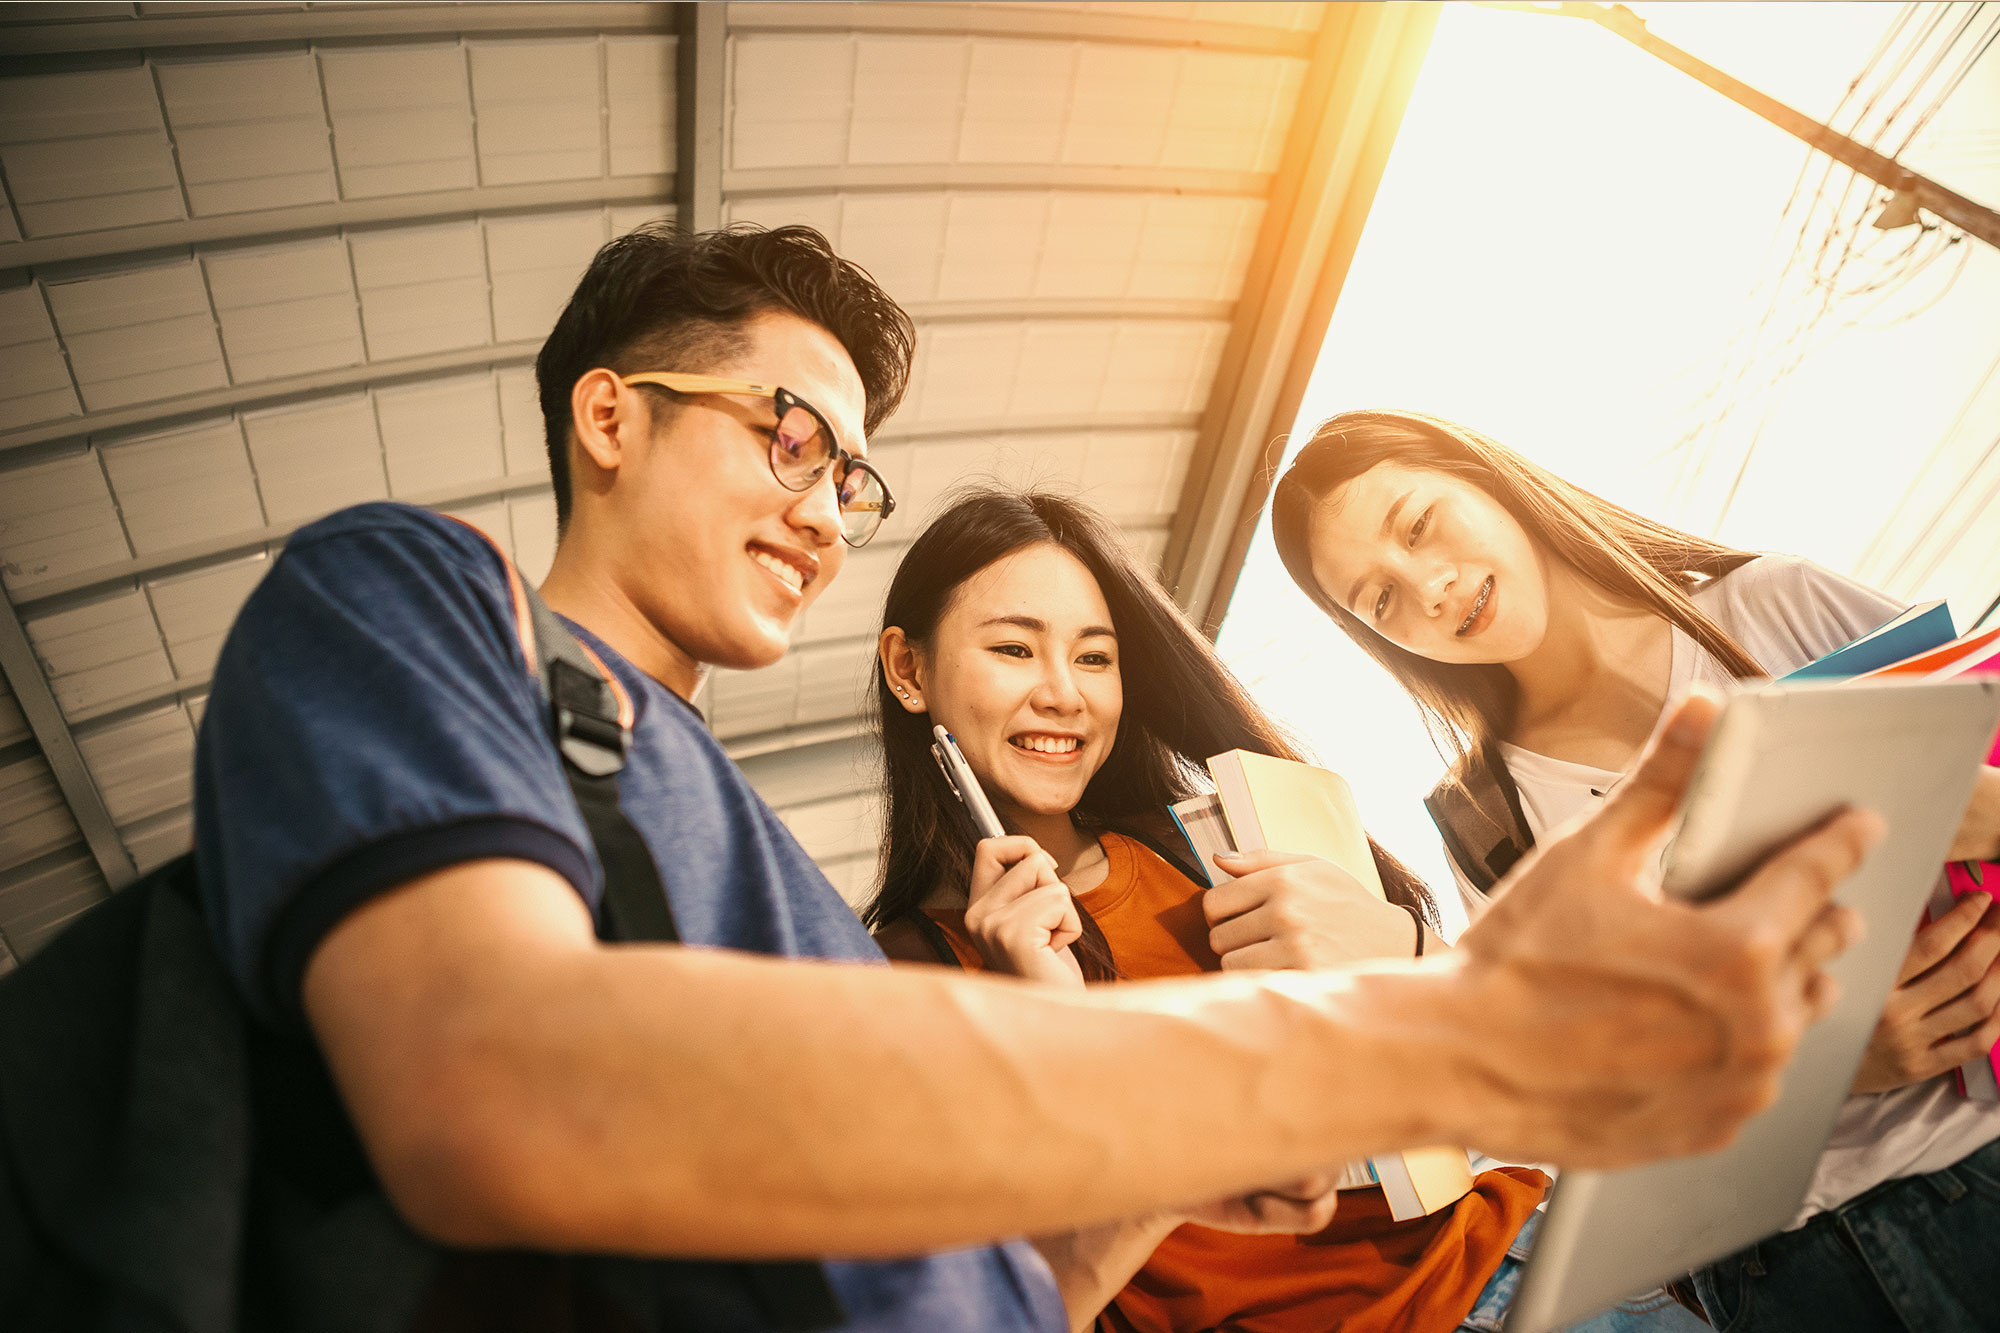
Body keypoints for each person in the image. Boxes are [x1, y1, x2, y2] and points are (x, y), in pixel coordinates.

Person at [187, 225, 1871, 1332]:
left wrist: (1175, 1153)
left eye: (851, 477)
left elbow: (998, 1294)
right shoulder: (418, 596)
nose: (827, 509)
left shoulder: (768, 890)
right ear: (610, 418)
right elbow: (498, 1080)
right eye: (790, 439)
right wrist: (1434, 1026)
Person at [863, 487, 1706, 1333]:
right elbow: (1016, 1309)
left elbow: (1491, 1058)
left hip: (1530, 1270)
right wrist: (1055, 1024)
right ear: (910, 670)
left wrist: (1399, 943)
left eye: (1094, 657)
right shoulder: (899, 983)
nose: (1064, 694)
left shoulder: (1211, 834)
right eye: (1014, 648)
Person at [1271, 408, 2000, 1333]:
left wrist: (1966, 808)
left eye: (1418, 524)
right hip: (1781, 1282)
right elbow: (1601, 1117)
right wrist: (1831, 1063)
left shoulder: (1768, 608)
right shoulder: (1487, 824)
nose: (1430, 587)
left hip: (1971, 1167)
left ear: (1486, 476)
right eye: (1379, 601)